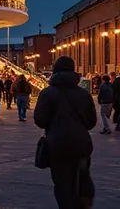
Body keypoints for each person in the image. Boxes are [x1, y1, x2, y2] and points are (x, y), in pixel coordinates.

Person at [34, 56, 97, 209]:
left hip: (57, 144)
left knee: (63, 183)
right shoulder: (83, 94)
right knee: (82, 176)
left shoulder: (47, 93)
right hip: (81, 143)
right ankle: (83, 202)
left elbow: (40, 120)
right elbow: (91, 122)